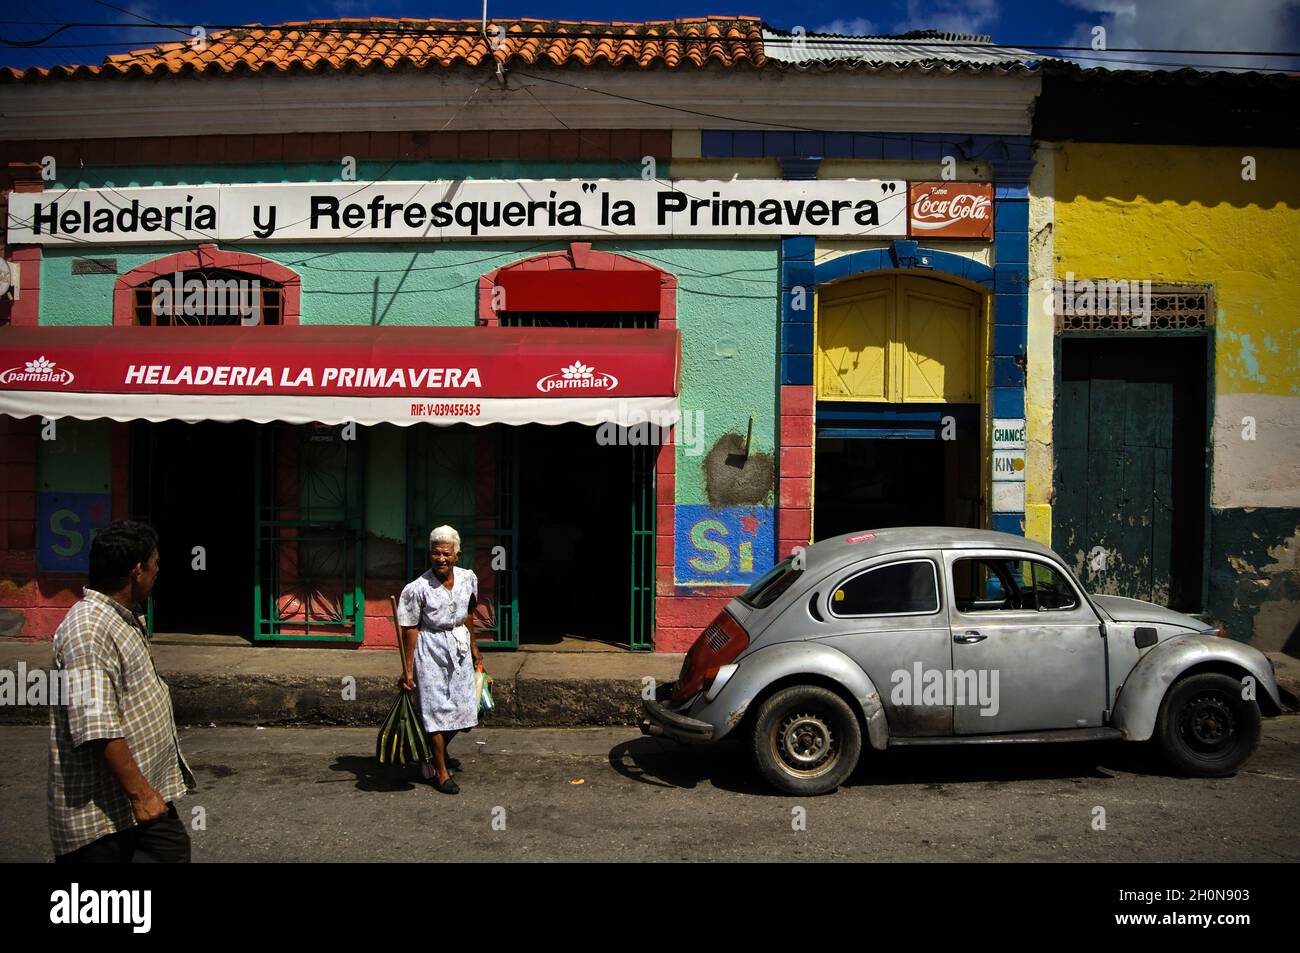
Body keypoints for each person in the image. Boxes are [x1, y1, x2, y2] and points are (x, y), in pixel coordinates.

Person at [49, 520, 195, 862]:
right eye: (155, 564)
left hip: (138, 799)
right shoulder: (89, 631)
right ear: (136, 571)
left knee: (172, 850)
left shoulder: (121, 617)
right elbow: (96, 727)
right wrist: (142, 795)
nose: (158, 571)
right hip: (104, 813)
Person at [397, 525, 483, 795]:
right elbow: (410, 628)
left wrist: (474, 646)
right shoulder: (417, 588)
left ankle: (428, 752)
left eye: (447, 554)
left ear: (457, 554)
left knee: (465, 712)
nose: (441, 559)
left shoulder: (468, 578)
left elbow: (469, 613)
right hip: (430, 649)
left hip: (458, 648)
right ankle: (440, 772)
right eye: (436, 554)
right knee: (435, 712)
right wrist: (408, 670)